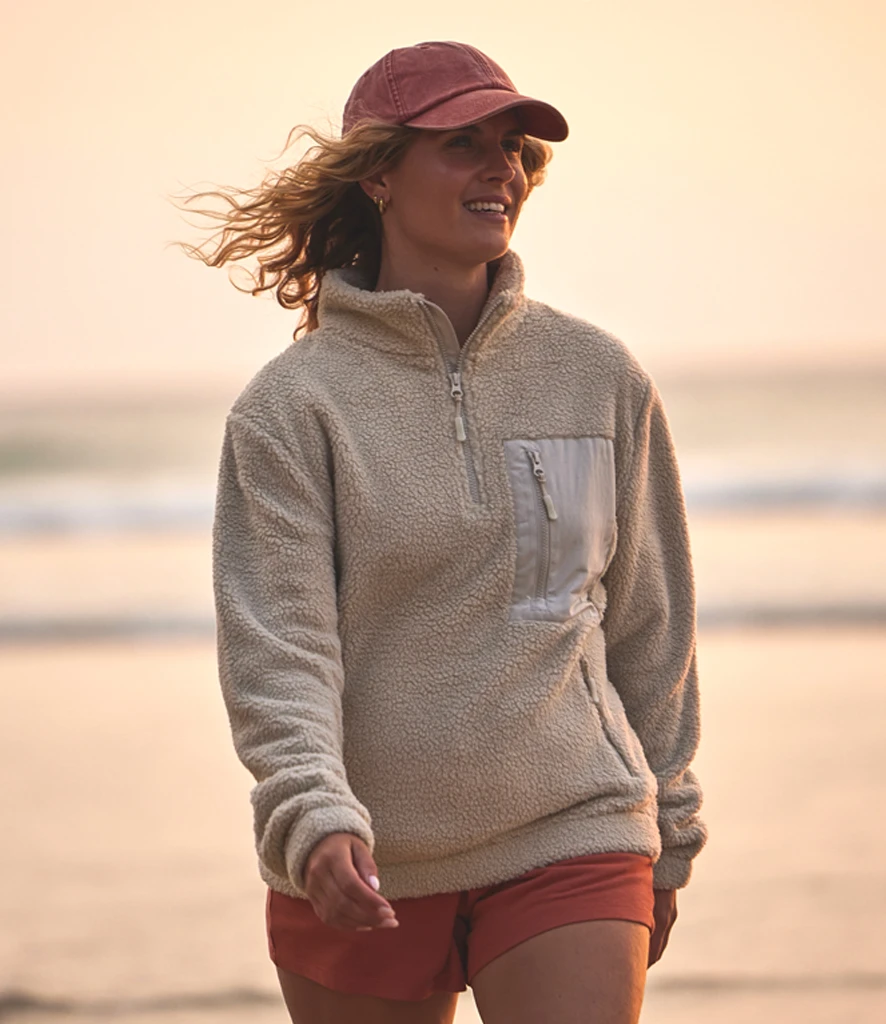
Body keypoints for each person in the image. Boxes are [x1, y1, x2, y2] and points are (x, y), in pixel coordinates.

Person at [183, 40, 707, 1024]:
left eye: (511, 147)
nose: (499, 168)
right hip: (360, 856)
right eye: (462, 143)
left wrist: (668, 824)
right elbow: (281, 649)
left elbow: (648, 623)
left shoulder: (596, 376)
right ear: (378, 174)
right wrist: (312, 813)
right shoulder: (292, 409)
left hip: (575, 824)